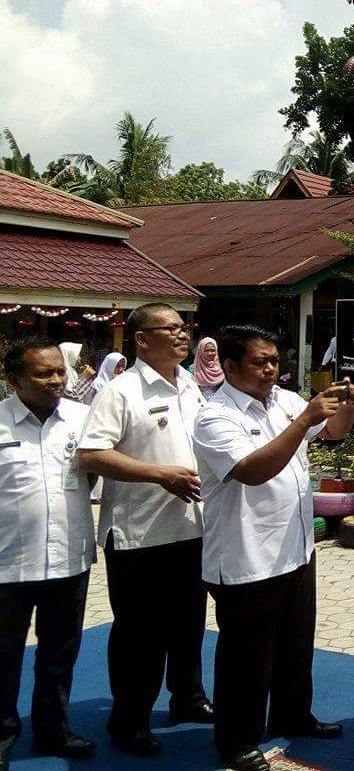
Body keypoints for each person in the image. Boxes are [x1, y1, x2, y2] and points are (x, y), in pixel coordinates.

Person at [193, 326, 354, 771]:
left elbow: (334, 432)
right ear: (228, 367)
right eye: (258, 362)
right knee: (247, 656)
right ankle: (237, 740)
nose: (270, 370)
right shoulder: (214, 416)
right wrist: (303, 420)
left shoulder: (284, 401)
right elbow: (251, 470)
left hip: (296, 547)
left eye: (274, 361)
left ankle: (293, 714)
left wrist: (347, 409)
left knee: (295, 644)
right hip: (247, 557)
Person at [77, 303, 212, 757]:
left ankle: (188, 698)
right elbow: (92, 454)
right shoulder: (121, 391)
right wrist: (160, 475)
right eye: (170, 328)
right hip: (139, 536)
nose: (181, 335)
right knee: (140, 636)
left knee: (189, 623)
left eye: (184, 327)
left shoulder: (191, 383)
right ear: (141, 339)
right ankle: (129, 720)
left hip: (192, 527)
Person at [0, 338, 96, 769]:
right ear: (13, 379)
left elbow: (94, 476)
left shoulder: (81, 419)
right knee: (2, 657)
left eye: (61, 371)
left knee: (59, 653)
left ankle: (53, 729)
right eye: (44, 374)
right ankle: (2, 734)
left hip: (68, 558)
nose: (57, 380)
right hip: (7, 564)